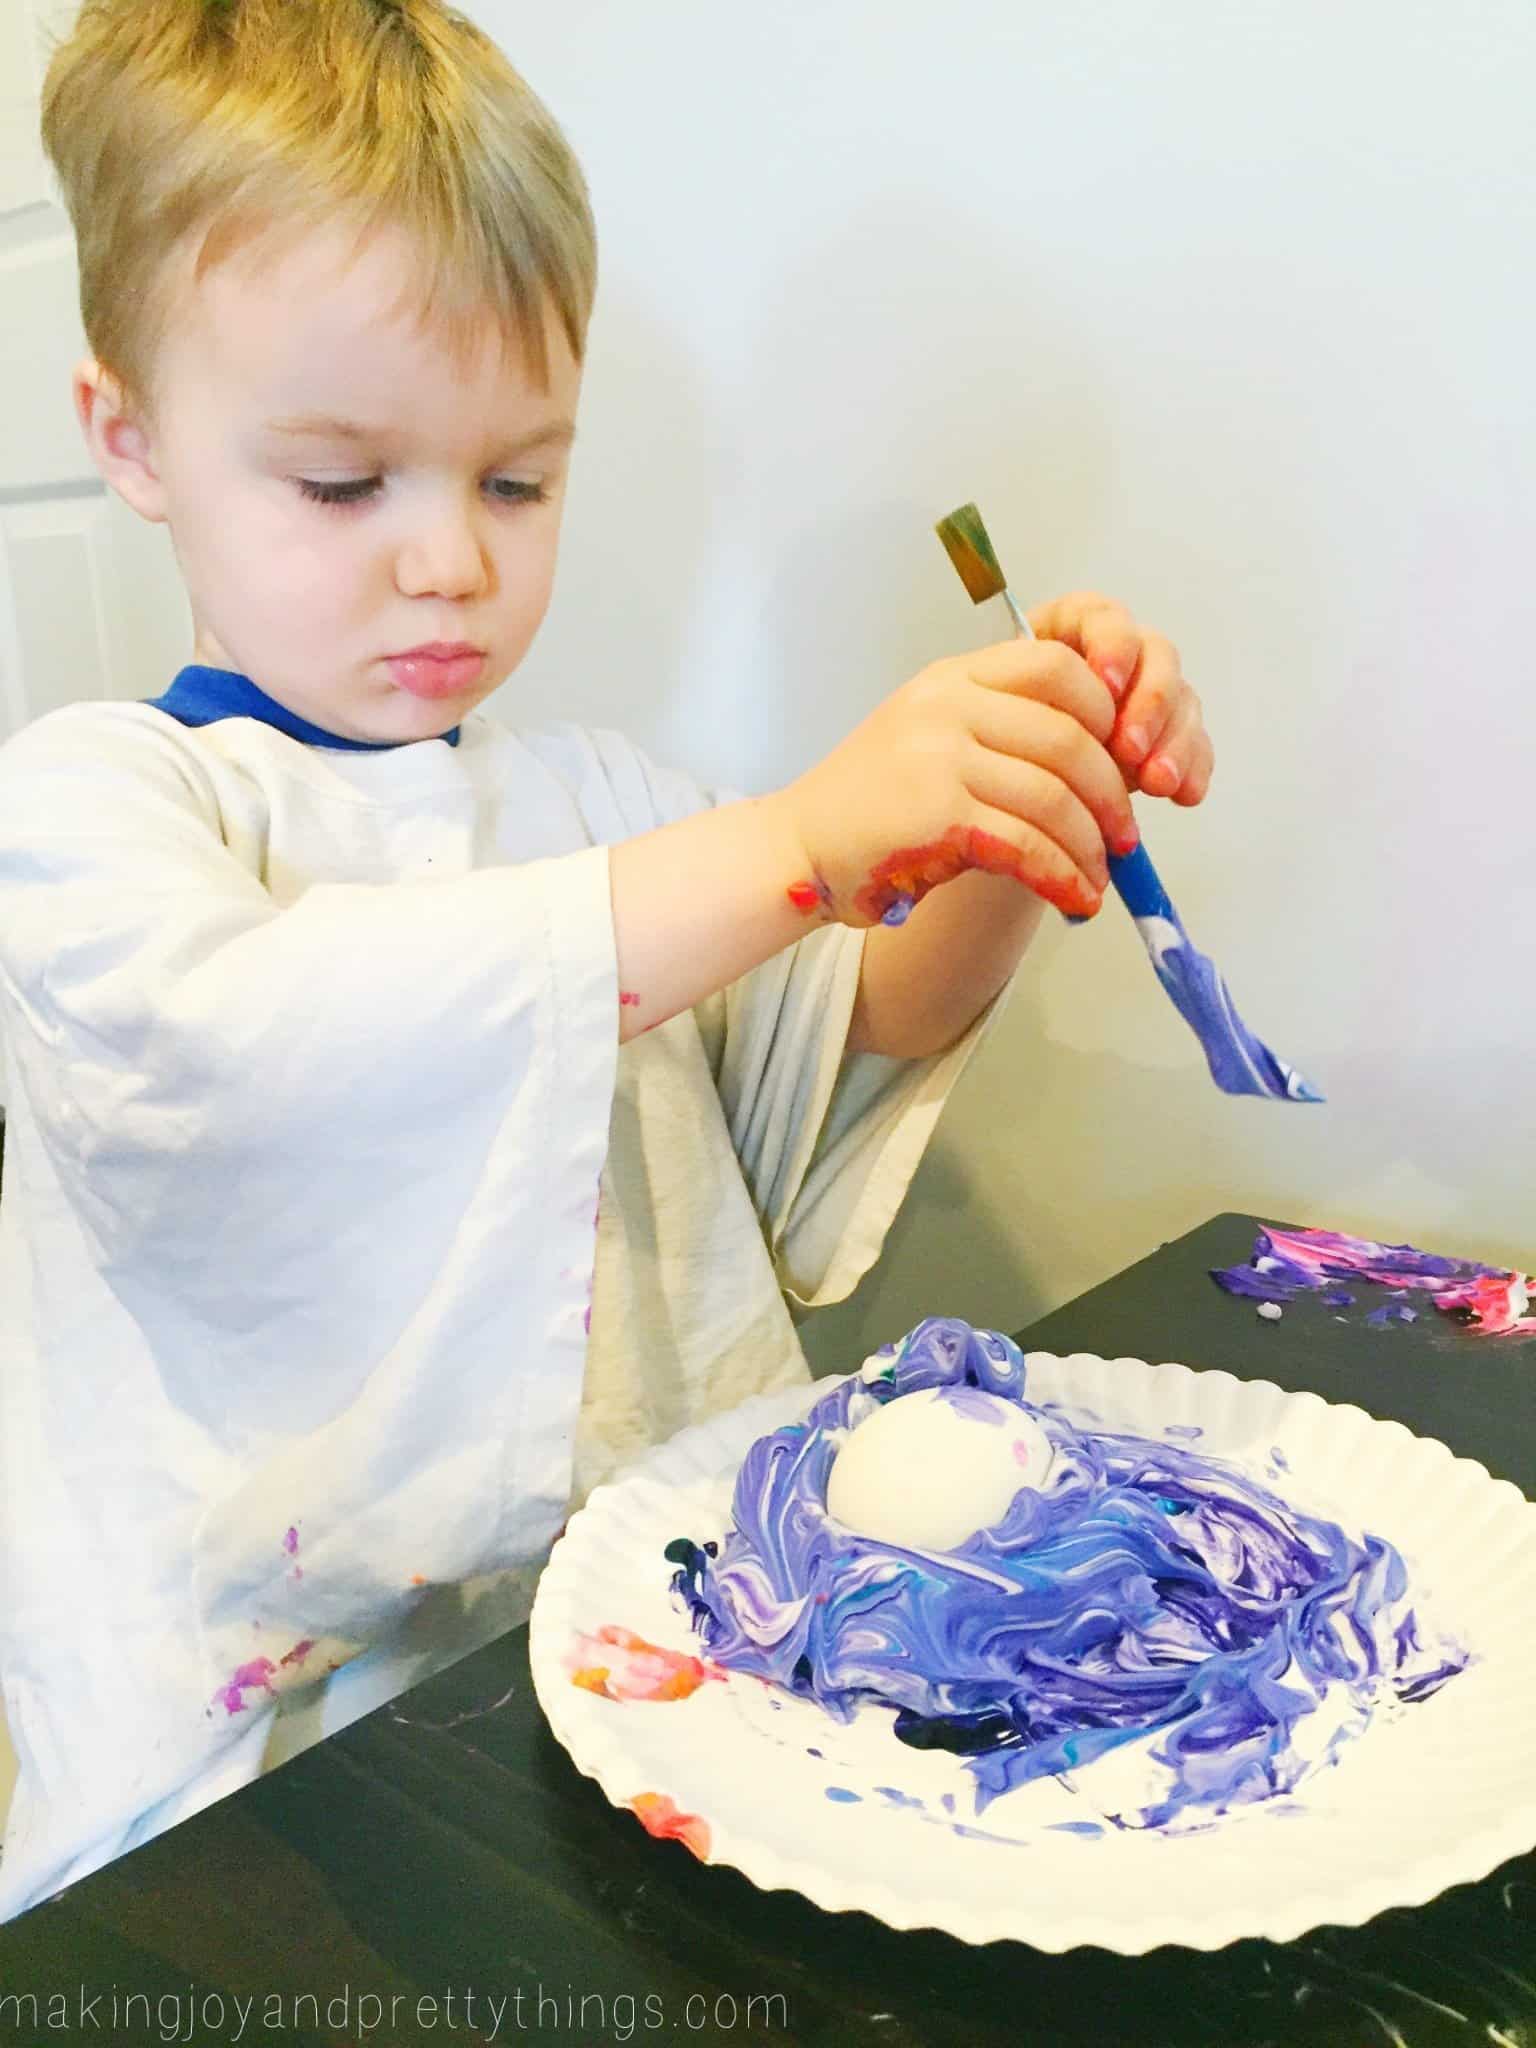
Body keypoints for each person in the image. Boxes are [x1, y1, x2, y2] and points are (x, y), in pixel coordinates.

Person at [0, 0, 1213, 1918]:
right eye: (343, 485)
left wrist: (998, 832)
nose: (451, 564)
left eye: (517, 481)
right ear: (128, 438)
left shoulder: (599, 800)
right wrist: (797, 847)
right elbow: (241, 1049)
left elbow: (843, 1041)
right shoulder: (96, 811)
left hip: (639, 1684)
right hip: (268, 1781)